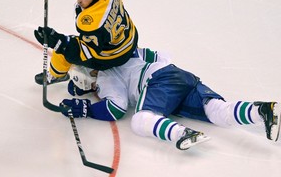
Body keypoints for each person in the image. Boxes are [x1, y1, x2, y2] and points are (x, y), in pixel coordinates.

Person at [58, 48, 281, 150]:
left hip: (159, 81)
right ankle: (261, 111)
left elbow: (116, 108)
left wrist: (86, 109)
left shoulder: (106, 77)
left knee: (140, 120)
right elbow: (162, 56)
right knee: (217, 111)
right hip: (180, 75)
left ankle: (181, 133)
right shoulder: (126, 51)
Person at [34, 0, 138, 85]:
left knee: (63, 51)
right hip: (129, 35)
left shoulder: (93, 21)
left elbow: (83, 53)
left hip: (115, 56)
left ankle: (56, 75)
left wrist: (58, 42)